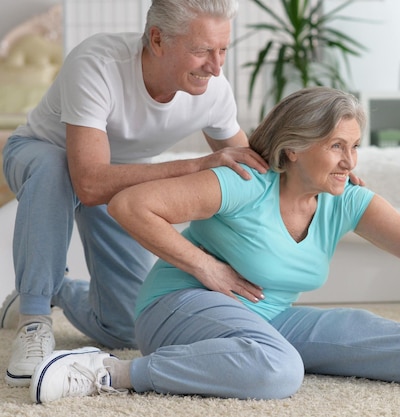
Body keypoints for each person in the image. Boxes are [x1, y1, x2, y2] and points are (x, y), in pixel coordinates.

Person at [29, 87, 400, 404]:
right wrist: (207, 267)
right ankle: (105, 371)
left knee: (354, 329)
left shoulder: (343, 198)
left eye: (356, 146)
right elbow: (132, 205)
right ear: (295, 148)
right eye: (337, 146)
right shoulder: (244, 183)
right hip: (179, 308)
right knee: (278, 371)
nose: (351, 162)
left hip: (264, 314)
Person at [0, 0, 271, 388]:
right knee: (54, 167)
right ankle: (34, 315)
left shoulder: (214, 91)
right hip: (44, 154)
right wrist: (195, 164)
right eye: (201, 51)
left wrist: (328, 177)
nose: (216, 66)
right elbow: (89, 183)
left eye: (222, 50)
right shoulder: (98, 64)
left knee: (125, 326)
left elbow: (250, 168)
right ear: (157, 39)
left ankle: (56, 290)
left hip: (120, 178)